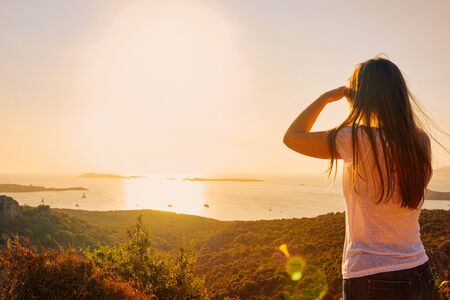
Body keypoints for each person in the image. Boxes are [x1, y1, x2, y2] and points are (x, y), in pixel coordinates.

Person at [283, 56, 437, 299]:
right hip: (420, 271)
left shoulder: (355, 139)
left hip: (372, 276)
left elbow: (292, 137)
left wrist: (326, 97)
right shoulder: (421, 141)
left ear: (360, 96)